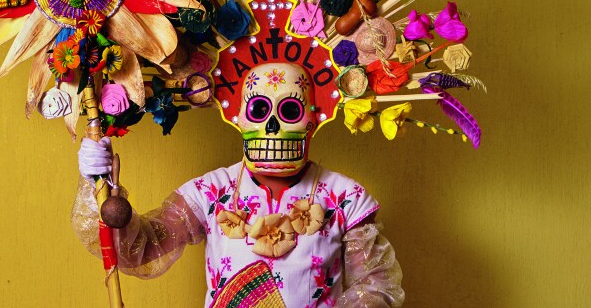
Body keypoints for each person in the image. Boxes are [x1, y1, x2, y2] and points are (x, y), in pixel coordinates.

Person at [72, 62, 405, 307]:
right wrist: (101, 187)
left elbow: (377, 287)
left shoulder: (346, 198)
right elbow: (139, 249)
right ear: (239, 119)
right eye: (259, 110)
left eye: (289, 110)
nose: (272, 126)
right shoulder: (211, 192)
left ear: (312, 120)